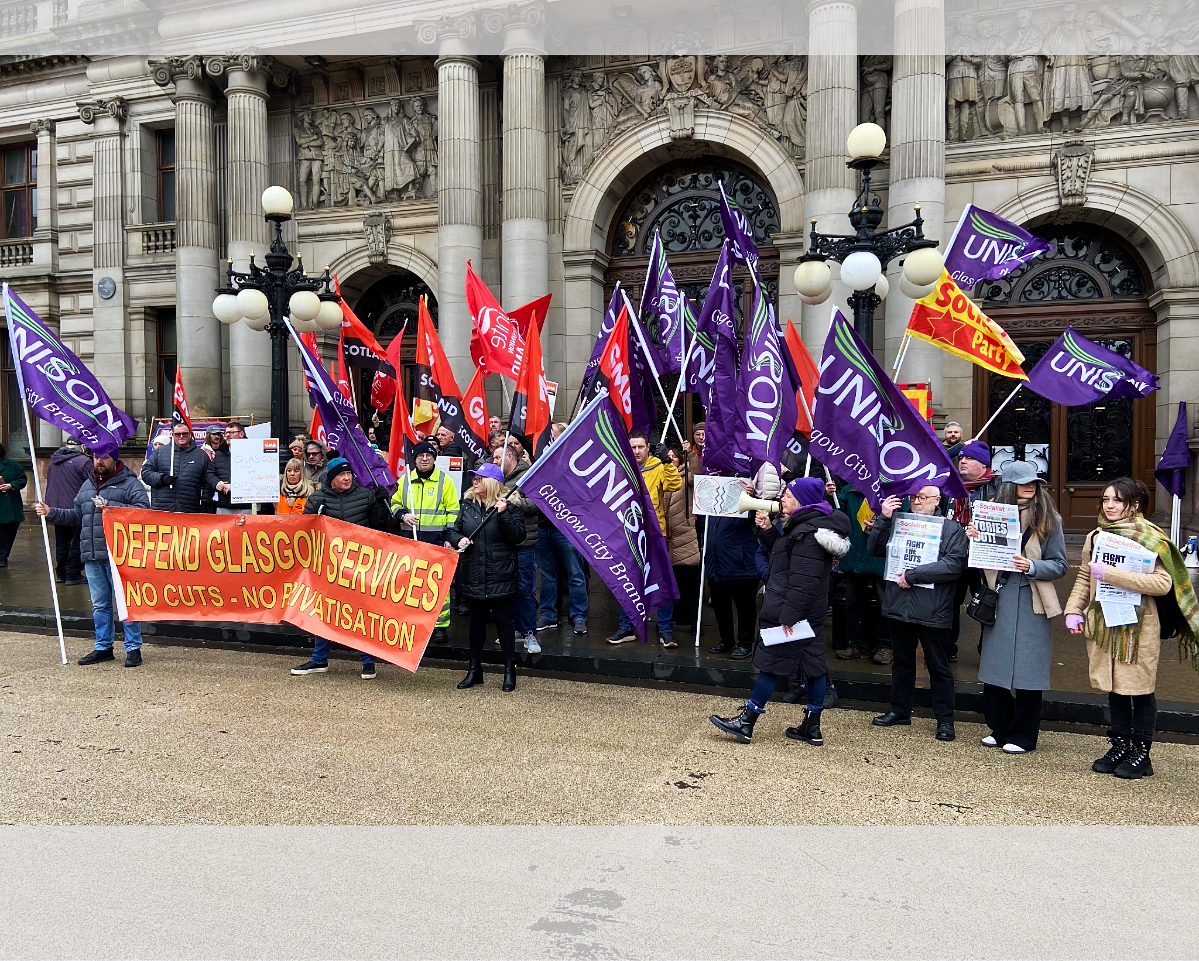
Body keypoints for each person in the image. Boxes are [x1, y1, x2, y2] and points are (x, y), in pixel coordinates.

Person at [1065, 477, 1199, 779]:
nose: (1109, 505)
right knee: (1114, 686)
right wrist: (1073, 609)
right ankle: (1120, 744)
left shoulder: (1151, 537)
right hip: (1104, 624)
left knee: (1138, 689)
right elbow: (1085, 579)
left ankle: (1142, 752)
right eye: (1105, 500)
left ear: (1134, 505)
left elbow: (1163, 583)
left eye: (1117, 500)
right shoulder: (1096, 536)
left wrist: (1111, 574)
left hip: (1138, 627)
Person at [709, 478, 850, 744]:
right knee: (814, 665)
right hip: (807, 613)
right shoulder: (807, 528)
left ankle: (747, 722)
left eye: (787, 495)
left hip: (793, 612)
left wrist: (787, 618)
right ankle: (812, 726)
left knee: (771, 663)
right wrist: (767, 531)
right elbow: (787, 557)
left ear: (801, 500)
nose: (782, 498)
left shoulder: (808, 534)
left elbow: (803, 582)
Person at [964, 461, 1067, 754]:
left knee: (1028, 673)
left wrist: (1032, 565)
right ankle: (999, 729)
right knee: (994, 668)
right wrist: (973, 539)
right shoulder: (989, 513)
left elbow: (1060, 565)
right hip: (1000, 597)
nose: (1031, 487)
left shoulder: (1050, 519)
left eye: (1033, 482)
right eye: (1023, 482)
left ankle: (1023, 735)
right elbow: (979, 561)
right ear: (1009, 486)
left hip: (1033, 601)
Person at [868, 484, 969, 741]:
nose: (917, 501)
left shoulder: (951, 529)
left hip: (932, 608)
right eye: (914, 496)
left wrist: (914, 575)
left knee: (939, 666)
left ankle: (945, 720)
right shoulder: (899, 522)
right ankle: (899, 710)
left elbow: (954, 565)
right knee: (902, 663)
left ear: (937, 501)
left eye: (924, 497)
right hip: (899, 605)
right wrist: (884, 518)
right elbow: (875, 550)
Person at [34, 446, 150, 667]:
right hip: (92, 553)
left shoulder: (130, 483)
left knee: (126, 604)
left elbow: (143, 511)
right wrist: (52, 513)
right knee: (100, 605)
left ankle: (133, 648)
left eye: (104, 457)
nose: (99, 461)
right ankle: (103, 647)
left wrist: (111, 507)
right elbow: (78, 514)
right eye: (96, 457)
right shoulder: (87, 484)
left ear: (114, 460)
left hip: (120, 555)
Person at [291, 459, 391, 679]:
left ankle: (367, 661)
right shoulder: (317, 499)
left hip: (360, 567)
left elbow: (380, 528)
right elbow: (303, 532)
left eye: (349, 474)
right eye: (341, 475)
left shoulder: (366, 496)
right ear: (331, 478)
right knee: (324, 611)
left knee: (362, 613)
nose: (347, 478)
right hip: (329, 567)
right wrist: (313, 517)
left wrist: (384, 505)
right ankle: (319, 660)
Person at [449, 462, 526, 692]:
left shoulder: (510, 506)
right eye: (474, 478)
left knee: (504, 623)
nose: (475, 481)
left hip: (499, 573)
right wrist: (458, 540)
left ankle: (509, 669)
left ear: (492, 482)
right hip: (473, 571)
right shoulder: (467, 504)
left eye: (479, 478)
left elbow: (518, 536)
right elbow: (453, 530)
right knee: (476, 624)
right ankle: (474, 669)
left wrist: (503, 515)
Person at [607, 432, 682, 647]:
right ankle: (626, 626)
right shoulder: (621, 466)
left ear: (648, 447)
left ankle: (666, 630)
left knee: (661, 580)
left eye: (641, 447)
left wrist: (667, 462)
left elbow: (674, 484)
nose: (637, 451)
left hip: (654, 533)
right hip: (628, 532)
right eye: (633, 447)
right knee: (629, 581)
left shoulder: (658, 466)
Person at [390, 439, 461, 643]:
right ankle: (414, 623)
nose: (424, 458)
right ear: (414, 459)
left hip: (437, 540)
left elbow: (453, 511)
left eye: (428, 455)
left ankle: (440, 626)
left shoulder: (444, 481)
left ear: (434, 459)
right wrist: (402, 514)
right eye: (420, 455)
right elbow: (394, 503)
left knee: (438, 584)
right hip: (409, 541)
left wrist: (449, 538)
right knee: (411, 583)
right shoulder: (405, 481)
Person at [945, 439, 1000, 661]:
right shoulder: (950, 486)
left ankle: (987, 649)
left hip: (984, 559)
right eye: (962, 457)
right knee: (949, 603)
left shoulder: (998, 488)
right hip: (955, 554)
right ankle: (948, 649)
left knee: (988, 603)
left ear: (983, 464)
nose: (963, 461)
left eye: (970, 458)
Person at [834, 483, 896, 665]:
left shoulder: (894, 489)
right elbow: (838, 513)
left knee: (886, 605)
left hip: (881, 559)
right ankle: (857, 644)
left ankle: (886, 646)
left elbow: (904, 519)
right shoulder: (850, 489)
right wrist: (831, 496)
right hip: (855, 557)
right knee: (853, 603)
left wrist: (882, 525)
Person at [495, 437, 541, 652]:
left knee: (525, 588)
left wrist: (511, 501)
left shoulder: (528, 476)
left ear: (510, 456)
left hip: (524, 542)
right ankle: (514, 628)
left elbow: (535, 505)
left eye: (497, 457)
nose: (494, 462)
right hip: (504, 542)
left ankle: (529, 632)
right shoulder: (498, 478)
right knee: (509, 588)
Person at [140, 423, 219, 513]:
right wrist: (161, 478)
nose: (181, 436)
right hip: (162, 508)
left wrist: (205, 503)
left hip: (189, 509)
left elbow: (208, 481)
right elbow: (145, 473)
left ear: (190, 434)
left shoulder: (201, 455)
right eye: (177, 434)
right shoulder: (160, 452)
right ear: (173, 435)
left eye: (184, 434)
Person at [45, 436, 91, 584]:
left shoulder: (54, 462)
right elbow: (92, 484)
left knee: (62, 542)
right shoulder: (84, 462)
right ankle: (73, 573)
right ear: (81, 446)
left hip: (56, 508)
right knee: (78, 541)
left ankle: (61, 573)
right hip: (76, 509)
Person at [663, 445, 700, 628]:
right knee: (672, 582)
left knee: (689, 583)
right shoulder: (661, 475)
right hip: (668, 535)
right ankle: (675, 617)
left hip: (684, 533)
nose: (670, 459)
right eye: (667, 456)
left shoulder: (687, 475)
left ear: (680, 459)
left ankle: (694, 621)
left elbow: (698, 475)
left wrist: (691, 453)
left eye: (674, 456)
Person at [201, 425, 244, 514]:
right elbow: (210, 473)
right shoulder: (220, 453)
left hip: (244, 505)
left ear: (241, 434)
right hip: (223, 504)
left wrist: (234, 487)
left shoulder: (252, 452)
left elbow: (256, 477)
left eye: (231, 432)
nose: (228, 435)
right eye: (226, 433)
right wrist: (216, 483)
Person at [0, 441, 27, 569]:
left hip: (12, 506)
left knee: (10, 533)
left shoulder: (11, 464)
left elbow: (22, 479)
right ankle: (1, 558)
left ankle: (4, 556)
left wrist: (12, 485)